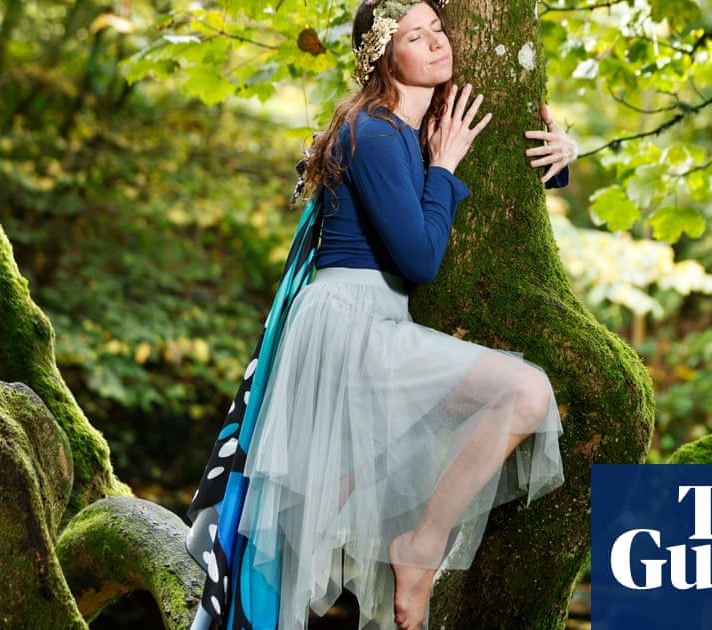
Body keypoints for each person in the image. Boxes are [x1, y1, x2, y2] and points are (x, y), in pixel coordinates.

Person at [187, 1, 577, 629]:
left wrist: (565, 156)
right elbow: (421, 260)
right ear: (382, 58)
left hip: (371, 319)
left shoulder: (408, 125)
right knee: (528, 392)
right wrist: (446, 169)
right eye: (414, 37)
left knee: (323, 507)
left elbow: (511, 173)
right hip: (352, 323)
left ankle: (406, 558)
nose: (436, 44)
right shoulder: (373, 132)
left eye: (438, 30)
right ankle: (420, 549)